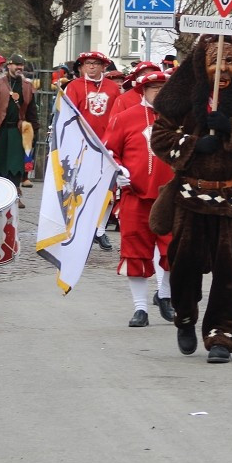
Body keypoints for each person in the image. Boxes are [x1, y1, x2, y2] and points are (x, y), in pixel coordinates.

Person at [149, 35, 232, 362]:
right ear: (200, 64)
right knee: (183, 266)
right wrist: (193, 145)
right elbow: (160, 139)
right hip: (190, 198)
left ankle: (222, 334)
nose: (222, 68)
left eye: (230, 62)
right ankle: (185, 317)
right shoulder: (180, 103)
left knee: (229, 273)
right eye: (215, 61)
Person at [103, 70, 175, 328]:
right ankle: (140, 308)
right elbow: (110, 150)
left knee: (173, 250)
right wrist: (118, 170)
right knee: (135, 251)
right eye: (153, 87)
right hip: (135, 195)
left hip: (171, 197)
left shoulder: (180, 118)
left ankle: (164, 294)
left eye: (162, 87)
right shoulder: (124, 118)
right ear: (142, 91)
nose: (158, 92)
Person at [65, 51, 122, 251]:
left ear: (103, 66)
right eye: (88, 63)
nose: (91, 67)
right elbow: (69, 116)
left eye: (96, 63)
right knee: (80, 188)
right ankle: (78, 229)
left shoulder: (113, 88)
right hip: (82, 145)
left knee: (108, 190)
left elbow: (119, 116)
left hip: (107, 146)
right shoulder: (74, 87)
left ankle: (99, 230)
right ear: (81, 66)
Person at [0, 54, 38, 207]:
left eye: (21, 65)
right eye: (16, 65)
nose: (19, 68)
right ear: (9, 66)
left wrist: (34, 132)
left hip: (17, 131)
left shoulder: (27, 86)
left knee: (15, 166)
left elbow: (32, 112)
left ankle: (14, 195)